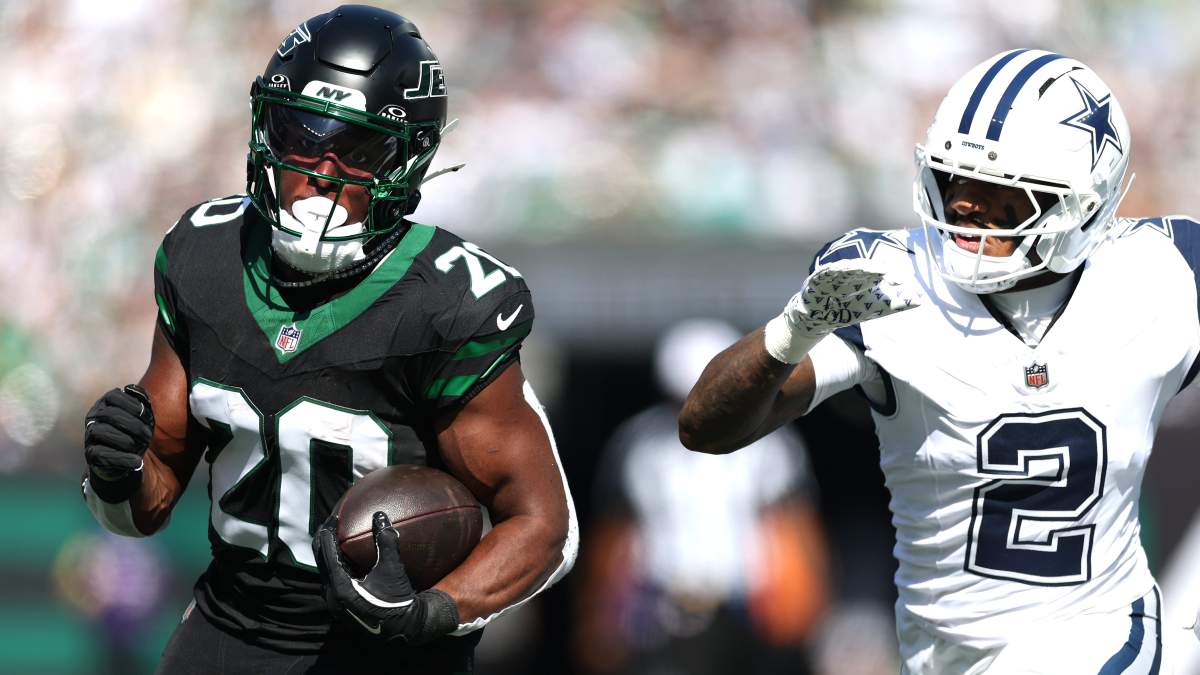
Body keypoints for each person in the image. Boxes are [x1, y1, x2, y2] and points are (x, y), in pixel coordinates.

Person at [79, 6, 578, 674]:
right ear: (267, 129)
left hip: (387, 656)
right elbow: (149, 500)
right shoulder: (205, 254)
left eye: (359, 149)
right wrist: (118, 473)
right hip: (228, 631)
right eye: (301, 136)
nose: (321, 170)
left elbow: (544, 526)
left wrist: (432, 611)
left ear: (407, 161)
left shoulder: (448, 303)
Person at [679, 48, 1186, 674]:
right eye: (956, 181)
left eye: (1003, 192)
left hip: (1103, 634)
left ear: (1082, 204)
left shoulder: (1161, 274)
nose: (967, 207)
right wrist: (791, 332)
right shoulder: (892, 280)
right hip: (940, 653)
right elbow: (705, 428)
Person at [574, 319, 828, 675]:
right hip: (660, 607)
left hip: (747, 608)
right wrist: (601, 616)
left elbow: (793, 529)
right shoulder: (639, 445)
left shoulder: (772, 446)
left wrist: (804, 607)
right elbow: (615, 534)